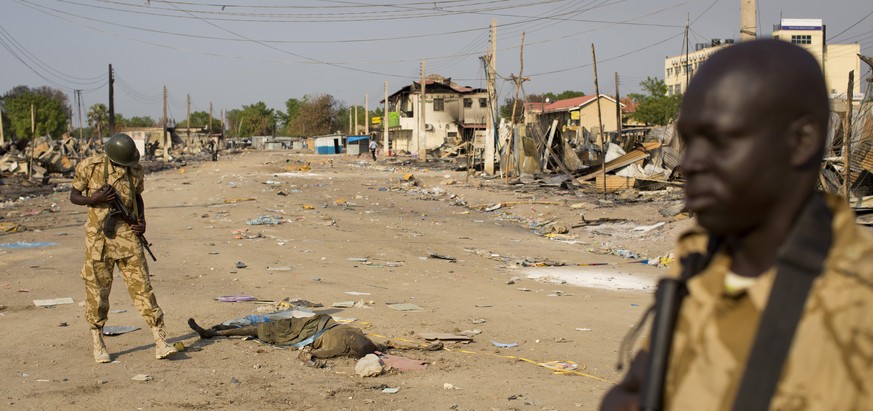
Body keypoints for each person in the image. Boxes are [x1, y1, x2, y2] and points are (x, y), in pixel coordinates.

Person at [600, 39, 873, 410]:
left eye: (720, 140)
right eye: (690, 141)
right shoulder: (700, 257)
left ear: (802, 141)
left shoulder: (856, 305)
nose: (691, 162)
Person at [70, 133, 176, 363]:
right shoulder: (90, 166)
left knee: (142, 287)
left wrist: (141, 221)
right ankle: (97, 340)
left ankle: (160, 339)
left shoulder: (134, 169)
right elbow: (74, 196)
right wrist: (93, 199)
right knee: (97, 292)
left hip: (127, 237)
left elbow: (137, 198)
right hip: (98, 239)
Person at [187, 314, 442, 366]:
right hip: (311, 327)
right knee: (260, 328)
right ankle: (215, 331)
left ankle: (215, 332)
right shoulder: (349, 346)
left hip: (313, 325)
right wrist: (427, 348)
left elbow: (394, 342)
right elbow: (311, 355)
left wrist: (428, 346)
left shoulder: (359, 340)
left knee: (259, 328)